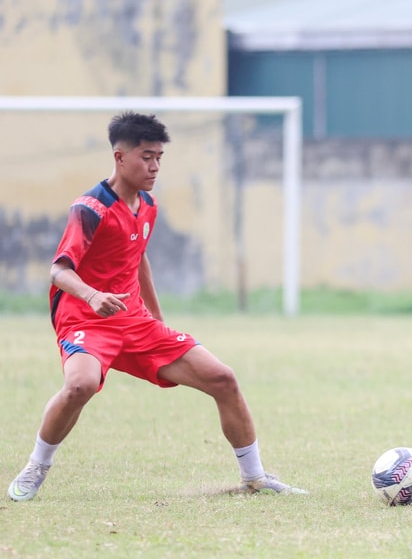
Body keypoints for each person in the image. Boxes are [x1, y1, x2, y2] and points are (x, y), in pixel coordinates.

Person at [7, 112, 305, 502]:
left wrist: (157, 321)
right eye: (146, 156)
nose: (154, 166)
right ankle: (36, 466)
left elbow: (137, 256)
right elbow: (58, 271)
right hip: (86, 318)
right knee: (81, 385)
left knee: (223, 379)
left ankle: (255, 477)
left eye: (159, 158)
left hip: (134, 321)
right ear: (119, 157)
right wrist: (94, 296)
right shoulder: (90, 209)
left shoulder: (147, 205)